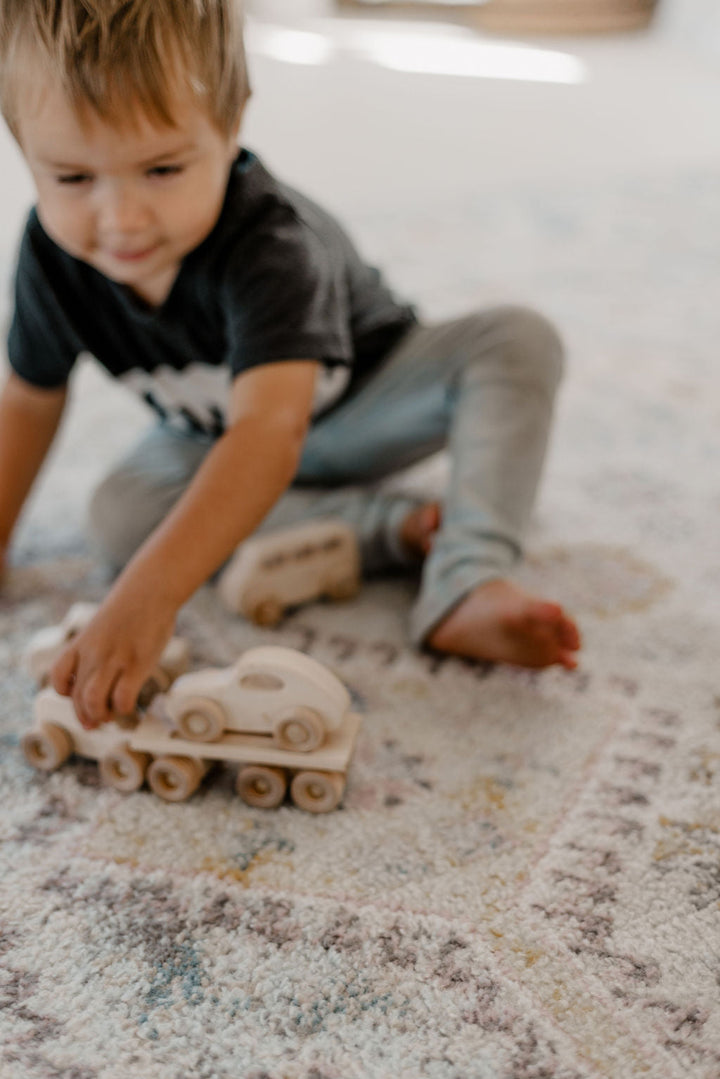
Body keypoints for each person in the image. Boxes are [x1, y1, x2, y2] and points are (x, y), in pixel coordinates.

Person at [0, 0, 581, 729]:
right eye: (73, 179)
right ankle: (389, 529)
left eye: (162, 168)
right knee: (119, 513)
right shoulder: (53, 259)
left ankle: (467, 577)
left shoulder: (272, 245)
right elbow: (29, 397)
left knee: (518, 340)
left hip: (362, 406)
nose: (120, 218)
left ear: (231, 121)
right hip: (215, 436)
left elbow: (270, 433)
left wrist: (150, 598)